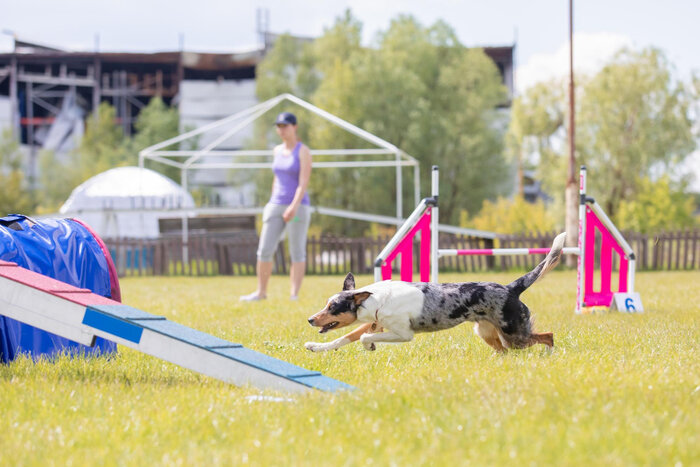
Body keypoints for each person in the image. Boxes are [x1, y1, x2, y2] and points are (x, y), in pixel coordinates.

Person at [240, 112, 312, 301]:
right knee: (264, 249)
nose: (281, 130)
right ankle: (261, 292)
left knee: (296, 250)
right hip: (275, 205)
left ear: (294, 127)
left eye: (285, 126)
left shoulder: (303, 151)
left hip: (297, 208)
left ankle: (294, 294)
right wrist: (272, 202)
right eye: (279, 126)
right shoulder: (276, 150)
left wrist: (294, 206)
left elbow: (303, 182)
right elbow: (277, 178)